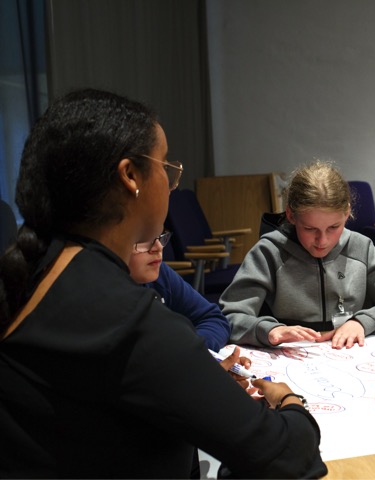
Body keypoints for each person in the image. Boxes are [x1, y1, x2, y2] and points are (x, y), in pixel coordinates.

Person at [0, 88, 326, 478]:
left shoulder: (42, 270)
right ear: (131, 176)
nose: (171, 184)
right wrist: (290, 400)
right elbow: (285, 455)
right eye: (166, 168)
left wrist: (191, 377)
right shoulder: (123, 316)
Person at [221, 160, 375, 349]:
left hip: (352, 355)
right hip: (292, 356)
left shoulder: (361, 248)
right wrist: (269, 330)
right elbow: (230, 317)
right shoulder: (269, 252)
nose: (322, 241)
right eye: (310, 228)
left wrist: (362, 322)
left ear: (347, 213)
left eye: (333, 227)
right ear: (291, 215)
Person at [128, 230, 231, 352]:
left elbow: (213, 318)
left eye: (159, 236)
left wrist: (195, 351)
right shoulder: (106, 298)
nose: (158, 247)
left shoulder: (161, 273)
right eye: (143, 240)